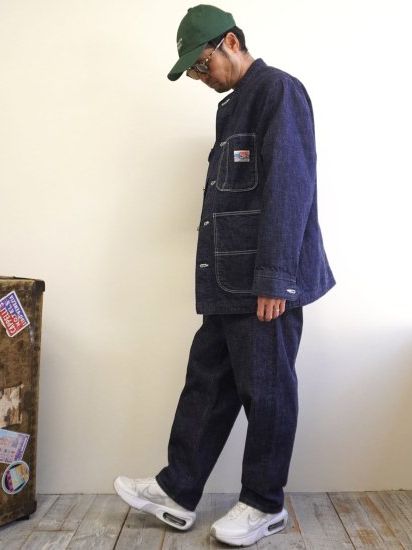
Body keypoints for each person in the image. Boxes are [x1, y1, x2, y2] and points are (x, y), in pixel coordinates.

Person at [114, 4, 336, 546]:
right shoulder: (232, 107)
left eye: (201, 63)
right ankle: (178, 491)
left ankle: (264, 504)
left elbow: (290, 187)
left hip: (263, 283)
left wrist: (276, 278)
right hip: (228, 280)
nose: (200, 76)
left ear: (231, 42)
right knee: (207, 382)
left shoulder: (279, 92)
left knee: (267, 390)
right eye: (193, 70)